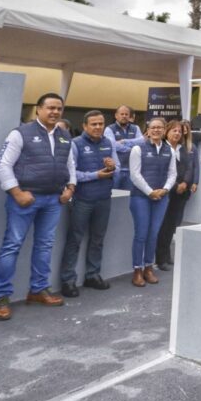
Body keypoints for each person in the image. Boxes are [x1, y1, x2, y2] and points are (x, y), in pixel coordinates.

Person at [0, 93, 76, 321]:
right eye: (50, 108)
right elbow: (2, 165)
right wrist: (16, 192)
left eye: (59, 108)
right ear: (38, 109)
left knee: (45, 245)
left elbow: (70, 164)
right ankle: (1, 297)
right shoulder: (20, 133)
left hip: (53, 200)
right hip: (25, 199)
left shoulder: (64, 135)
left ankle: (38, 289)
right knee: (12, 245)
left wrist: (70, 188)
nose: (55, 112)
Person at [59, 110, 117, 298]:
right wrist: (95, 175)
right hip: (82, 200)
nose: (98, 127)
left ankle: (92, 275)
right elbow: (70, 173)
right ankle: (68, 280)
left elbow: (119, 169)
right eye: (94, 124)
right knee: (74, 239)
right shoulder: (75, 144)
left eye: (101, 124)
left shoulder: (109, 143)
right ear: (85, 126)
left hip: (103, 199)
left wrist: (112, 167)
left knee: (98, 240)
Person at [128, 117, 176, 286]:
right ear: (147, 130)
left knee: (153, 234)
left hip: (161, 197)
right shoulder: (137, 148)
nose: (156, 130)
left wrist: (165, 189)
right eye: (153, 127)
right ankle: (137, 270)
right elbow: (135, 175)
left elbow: (172, 174)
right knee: (141, 235)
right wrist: (150, 192)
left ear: (164, 130)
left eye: (160, 128)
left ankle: (149, 267)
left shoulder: (169, 150)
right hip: (140, 197)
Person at [155, 120, 198, 271]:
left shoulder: (184, 149)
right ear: (167, 132)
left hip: (181, 193)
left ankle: (167, 255)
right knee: (163, 226)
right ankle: (160, 258)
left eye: (179, 131)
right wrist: (175, 186)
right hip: (167, 192)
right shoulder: (162, 148)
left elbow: (190, 168)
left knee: (172, 225)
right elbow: (162, 172)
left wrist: (185, 183)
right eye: (174, 130)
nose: (177, 133)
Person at [105, 105, 143, 191]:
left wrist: (125, 141)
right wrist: (132, 148)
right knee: (113, 196)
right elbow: (112, 146)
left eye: (126, 114)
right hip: (116, 171)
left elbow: (142, 143)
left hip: (132, 171)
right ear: (116, 116)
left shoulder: (136, 128)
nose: (124, 116)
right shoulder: (109, 129)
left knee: (128, 198)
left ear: (129, 116)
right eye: (122, 114)